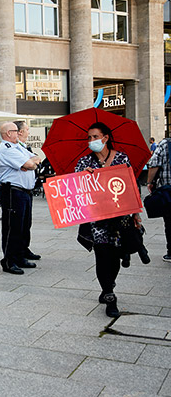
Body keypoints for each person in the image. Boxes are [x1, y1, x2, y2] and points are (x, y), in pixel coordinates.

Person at [76, 122, 141, 318]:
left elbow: (131, 185)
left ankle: (108, 285)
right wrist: (83, 177)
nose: (91, 141)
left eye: (95, 137)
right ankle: (110, 296)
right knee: (102, 253)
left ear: (105, 137)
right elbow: (75, 189)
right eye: (89, 138)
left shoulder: (121, 157)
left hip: (119, 218)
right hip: (97, 219)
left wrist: (136, 213)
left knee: (115, 257)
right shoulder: (84, 162)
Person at [0, 122, 41, 275]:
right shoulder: (7, 149)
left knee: (24, 225)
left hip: (25, 191)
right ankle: (9, 260)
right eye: (16, 131)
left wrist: (29, 164)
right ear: (9, 133)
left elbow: (36, 158)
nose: (19, 133)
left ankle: (20, 255)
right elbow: (29, 163)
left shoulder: (18, 146)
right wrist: (28, 165)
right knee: (12, 227)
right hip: (13, 191)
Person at [13, 120, 41, 261]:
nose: (29, 132)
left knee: (27, 223)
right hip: (18, 190)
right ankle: (18, 253)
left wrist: (32, 163)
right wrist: (31, 163)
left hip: (28, 190)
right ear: (20, 132)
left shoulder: (24, 148)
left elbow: (36, 161)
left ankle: (25, 248)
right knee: (19, 224)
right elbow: (29, 163)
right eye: (27, 129)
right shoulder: (13, 147)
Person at [147, 137, 171, 263]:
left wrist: (150, 182)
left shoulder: (165, 144)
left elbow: (154, 164)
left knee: (169, 221)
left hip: (168, 191)